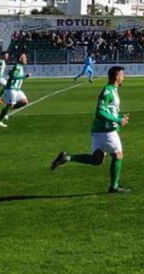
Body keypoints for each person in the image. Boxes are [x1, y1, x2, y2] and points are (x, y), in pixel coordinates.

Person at [51, 65, 130, 194]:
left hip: (99, 130)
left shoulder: (112, 90)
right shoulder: (108, 91)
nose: (124, 77)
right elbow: (100, 111)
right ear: (117, 77)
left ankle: (67, 157)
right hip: (106, 131)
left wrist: (120, 117)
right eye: (122, 75)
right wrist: (117, 120)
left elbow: (109, 111)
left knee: (97, 160)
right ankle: (114, 187)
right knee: (118, 155)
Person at [0, 52, 30, 128]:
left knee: (25, 102)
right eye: (24, 57)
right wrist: (25, 77)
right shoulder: (17, 66)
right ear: (20, 59)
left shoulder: (20, 66)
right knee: (9, 105)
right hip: (11, 89)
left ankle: (5, 111)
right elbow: (13, 77)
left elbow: (11, 74)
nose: (26, 59)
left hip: (17, 89)